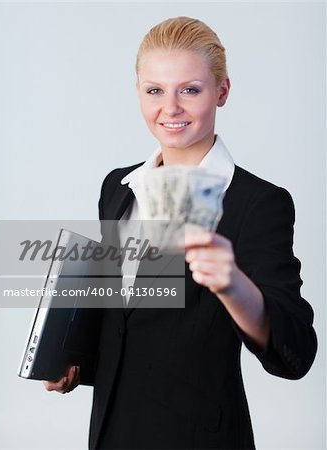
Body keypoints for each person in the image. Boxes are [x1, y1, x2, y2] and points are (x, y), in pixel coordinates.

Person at [44, 16, 317, 449]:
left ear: (222, 91)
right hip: (112, 433)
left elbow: (296, 353)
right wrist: (75, 362)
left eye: (190, 90)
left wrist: (233, 286)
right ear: (138, 92)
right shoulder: (118, 189)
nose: (170, 108)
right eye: (155, 90)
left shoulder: (256, 203)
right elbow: (128, 325)